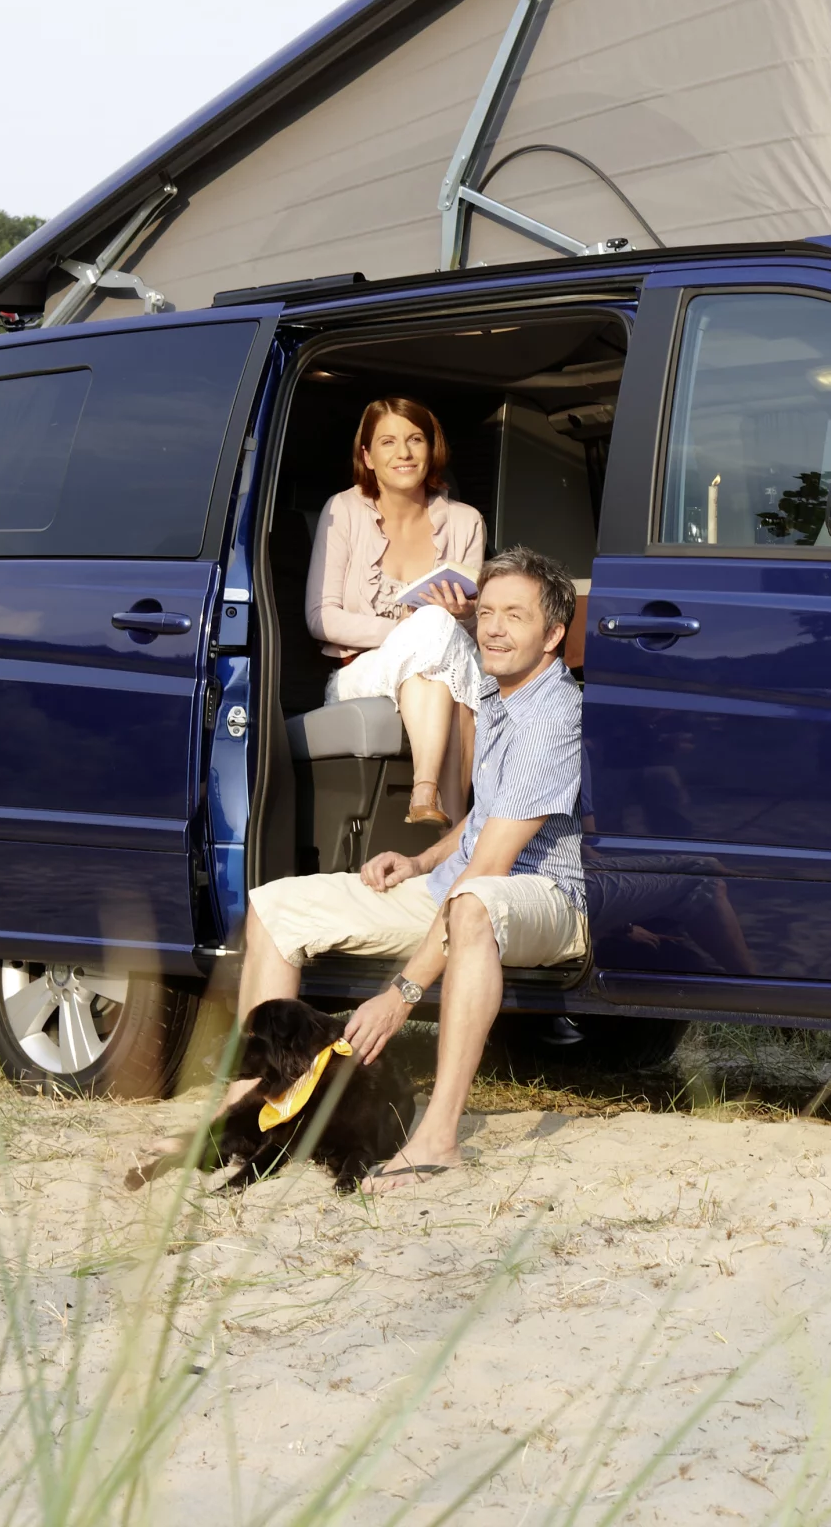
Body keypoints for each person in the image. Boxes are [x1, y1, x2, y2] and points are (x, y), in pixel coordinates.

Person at [238, 546, 586, 1189]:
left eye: (516, 615)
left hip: (546, 897)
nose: (495, 627)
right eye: (487, 613)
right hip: (458, 882)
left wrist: (401, 995)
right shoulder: (498, 694)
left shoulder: (553, 715)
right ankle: (252, 1110)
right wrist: (420, 858)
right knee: (273, 907)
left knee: (474, 900)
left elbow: (493, 860)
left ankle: (438, 1138)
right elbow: (484, 820)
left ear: (554, 634)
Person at [309, 397, 488, 823]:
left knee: (445, 664)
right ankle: (451, 822)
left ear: (432, 449)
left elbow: (476, 623)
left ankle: (428, 802)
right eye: (388, 442)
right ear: (367, 456)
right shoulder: (342, 511)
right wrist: (413, 630)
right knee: (434, 631)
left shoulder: (466, 521)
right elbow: (321, 618)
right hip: (361, 672)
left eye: (415, 440)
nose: (404, 453)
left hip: (447, 661)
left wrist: (461, 615)